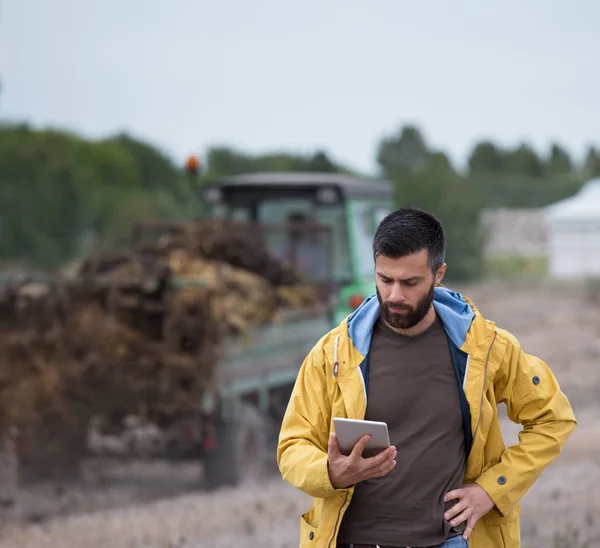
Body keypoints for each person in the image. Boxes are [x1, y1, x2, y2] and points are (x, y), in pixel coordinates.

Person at [277, 208, 576, 548]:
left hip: (449, 541)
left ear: (438, 274)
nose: (394, 295)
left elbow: (553, 419)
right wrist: (330, 472)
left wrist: (493, 489)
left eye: (410, 282)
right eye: (384, 279)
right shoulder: (332, 353)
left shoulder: (486, 348)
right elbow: (292, 446)